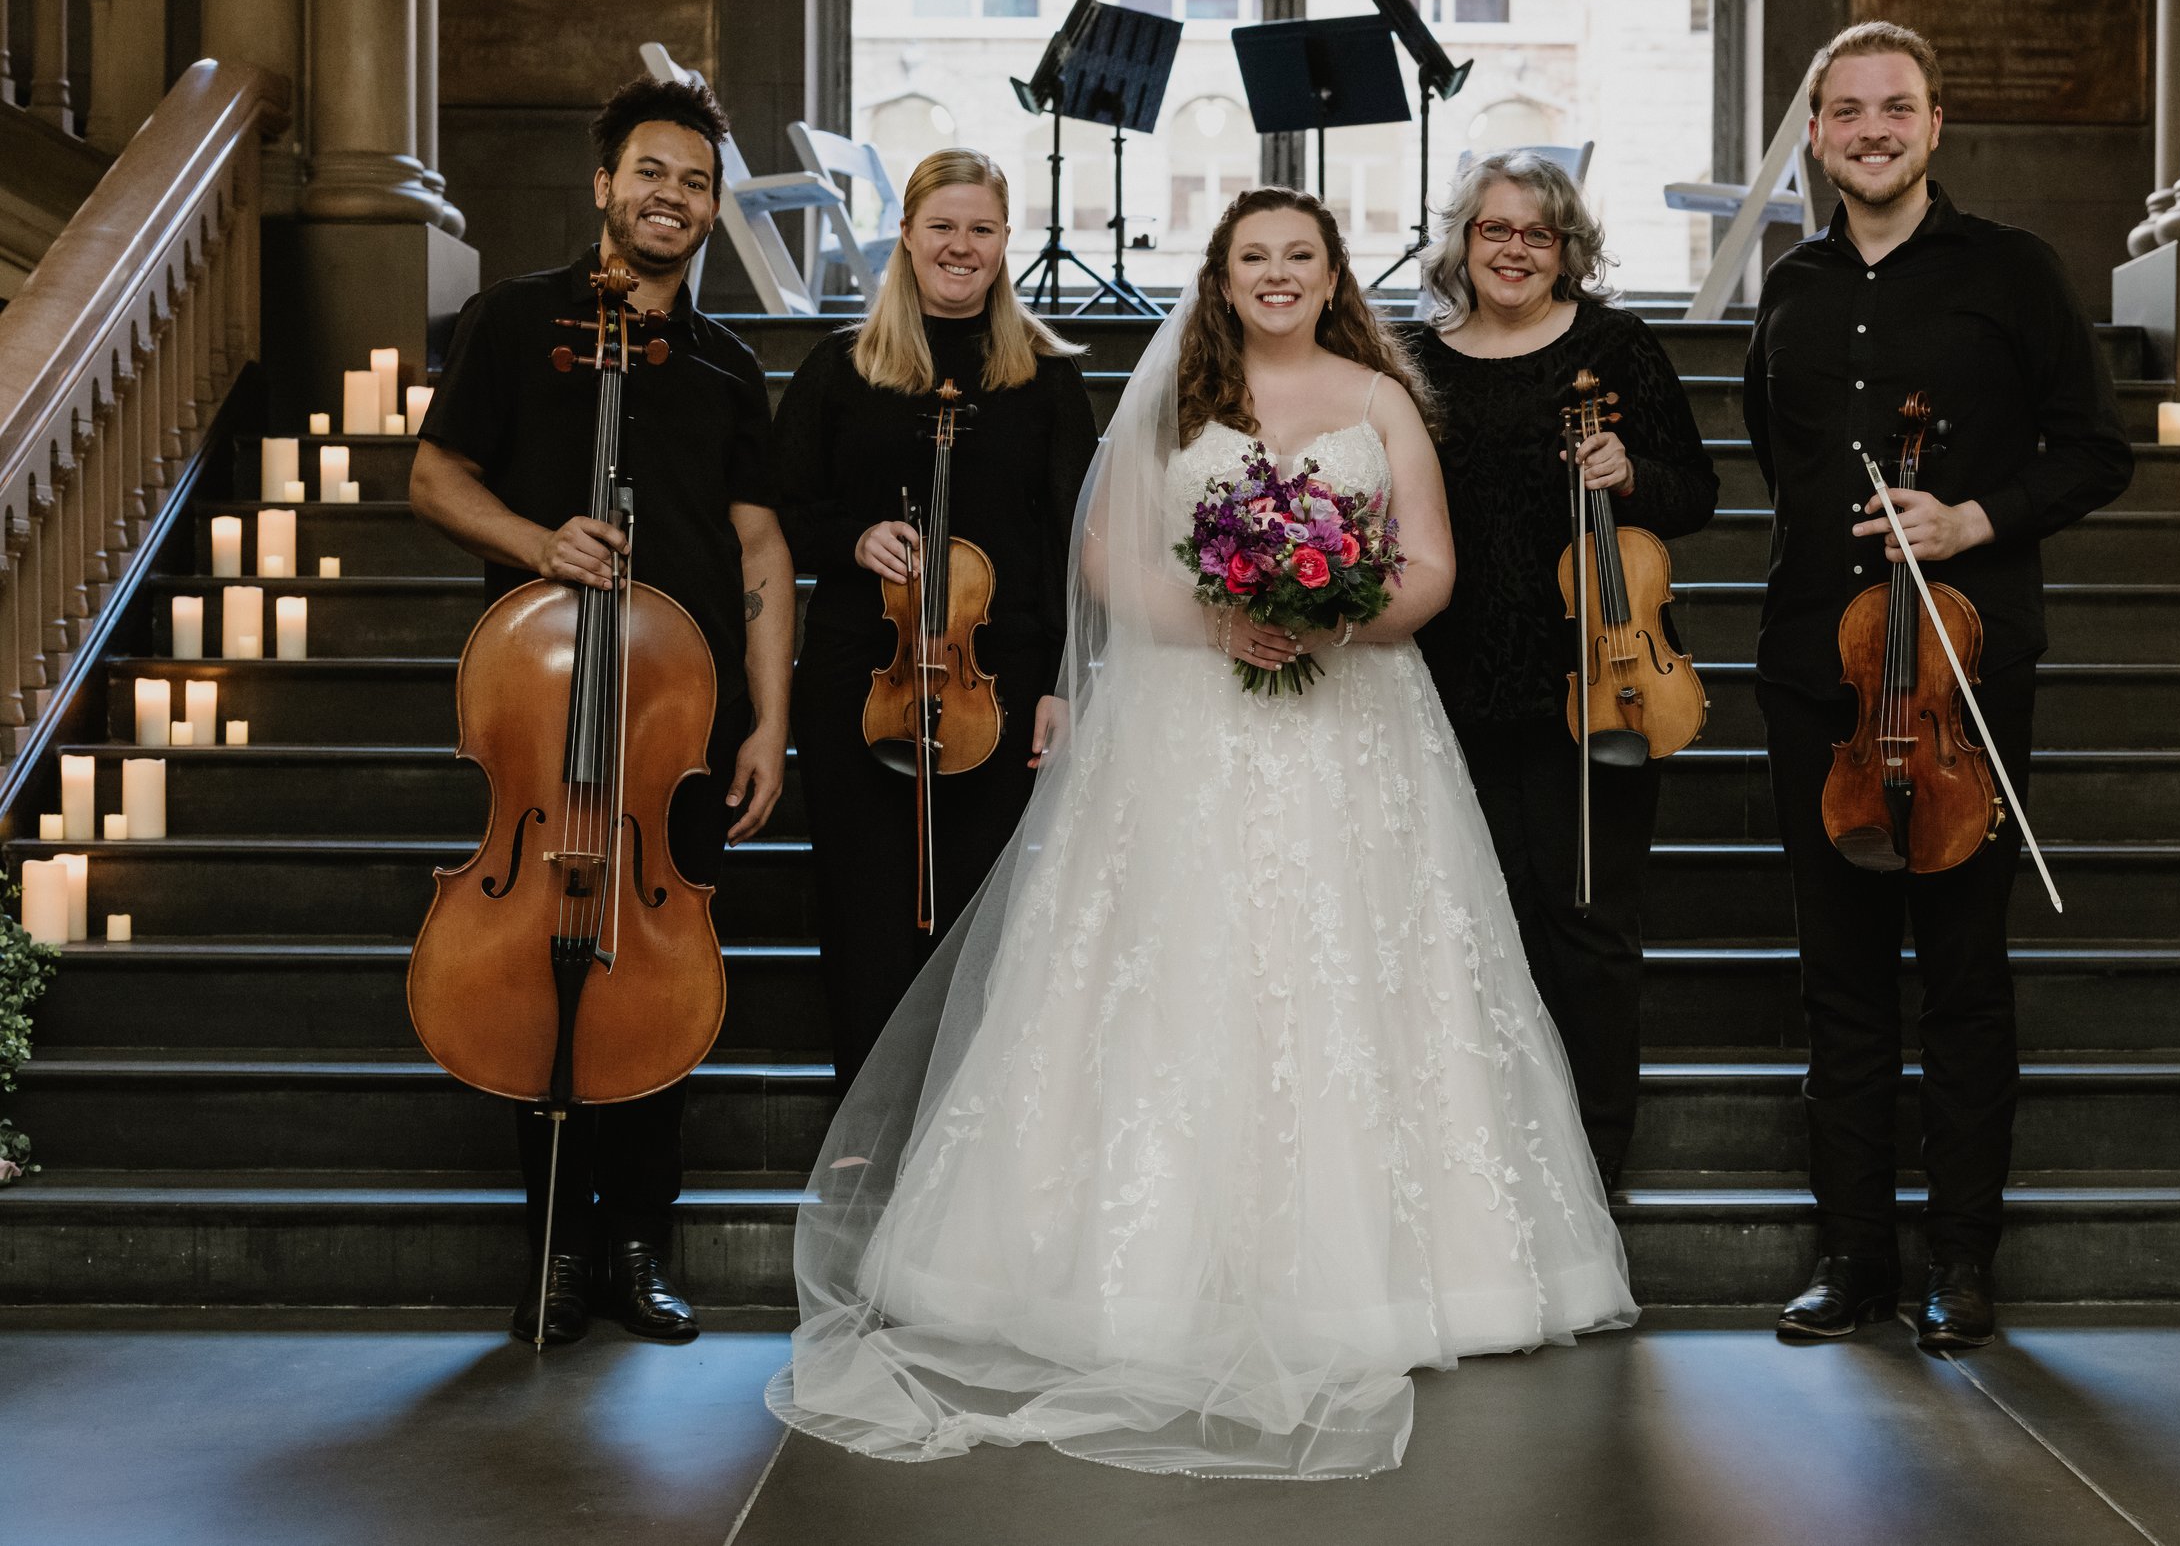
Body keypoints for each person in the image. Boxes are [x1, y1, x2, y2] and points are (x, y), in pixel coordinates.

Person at [766, 188, 1635, 1478]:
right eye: (1252, 259)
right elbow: (1110, 561)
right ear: (1220, 278)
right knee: (1171, 973)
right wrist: (1224, 617)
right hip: (1185, 719)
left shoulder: (1382, 396)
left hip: (1354, 723)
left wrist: (1336, 610)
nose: (1276, 276)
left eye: (1300, 255)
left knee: (1356, 973)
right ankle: (1125, 1271)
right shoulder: (1172, 401)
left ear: (1334, 271)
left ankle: (1399, 1277)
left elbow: (1433, 568)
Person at [1743, 23, 2131, 1350]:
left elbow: (2097, 451)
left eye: (1894, 107)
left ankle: (1962, 1260)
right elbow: (1781, 469)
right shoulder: (1787, 285)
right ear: (1816, 133)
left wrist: (1974, 518)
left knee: (1963, 977)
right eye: (1845, 110)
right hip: (1817, 676)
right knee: (1839, 981)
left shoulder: (2014, 275)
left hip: (1963, 678)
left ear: (1936, 123)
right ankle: (1852, 1253)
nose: (1871, 128)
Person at [411, 76, 796, 1346]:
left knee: (658, 981)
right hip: (540, 710)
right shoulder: (517, 322)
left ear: (709, 205)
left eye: (693, 181)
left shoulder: (730, 366)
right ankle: (554, 1255)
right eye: (650, 173)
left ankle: (639, 1244)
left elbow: (757, 552)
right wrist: (539, 541)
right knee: (534, 978)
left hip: (672, 733)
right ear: (603, 185)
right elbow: (433, 477)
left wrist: (767, 721)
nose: (670, 198)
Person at [1409, 150, 1718, 1189]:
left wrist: (1633, 471)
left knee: (1589, 927)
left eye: (1536, 234)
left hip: (1599, 676)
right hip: (1450, 685)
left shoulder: (1617, 347)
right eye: (1494, 230)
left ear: (1568, 250)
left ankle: (1594, 1162)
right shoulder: (1415, 362)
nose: (1512, 250)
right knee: (1473, 929)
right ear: (1460, 242)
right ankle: (1493, 1171)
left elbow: (1695, 492)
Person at [770, 149, 1096, 1092]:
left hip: (999, 682)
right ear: (907, 235)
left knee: (978, 904)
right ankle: (861, 1123)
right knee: (862, 899)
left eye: (982, 230)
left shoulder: (1044, 376)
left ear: (1005, 244)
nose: (961, 246)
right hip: (860, 676)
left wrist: (1066, 684)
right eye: (942, 226)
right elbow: (782, 511)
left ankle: (960, 1133)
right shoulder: (841, 368)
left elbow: (1079, 543)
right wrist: (853, 538)